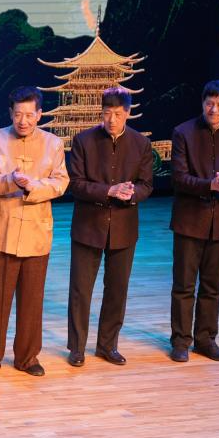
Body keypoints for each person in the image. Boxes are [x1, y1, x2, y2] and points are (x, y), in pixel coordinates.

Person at [0, 86, 69, 376]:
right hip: (1, 231)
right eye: (18, 114)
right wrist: (10, 179)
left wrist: (33, 186)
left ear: (40, 114)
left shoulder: (53, 144)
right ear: (11, 113)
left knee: (32, 299)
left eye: (30, 115)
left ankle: (27, 357)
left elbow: (61, 182)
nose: (24, 120)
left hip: (36, 232)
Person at [66, 88, 153, 367]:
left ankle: (107, 345)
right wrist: (109, 190)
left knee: (117, 290)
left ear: (127, 113)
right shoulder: (83, 141)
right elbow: (75, 184)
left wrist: (131, 193)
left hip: (124, 228)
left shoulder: (141, 143)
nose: (111, 120)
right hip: (88, 226)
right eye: (106, 113)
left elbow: (146, 185)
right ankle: (77, 348)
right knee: (81, 290)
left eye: (117, 114)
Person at [169, 80, 219, 362]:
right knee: (184, 286)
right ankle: (181, 341)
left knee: (212, 287)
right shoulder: (183, 132)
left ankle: (206, 340)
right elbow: (179, 178)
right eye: (209, 103)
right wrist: (210, 186)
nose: (214, 109)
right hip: (189, 221)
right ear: (202, 103)